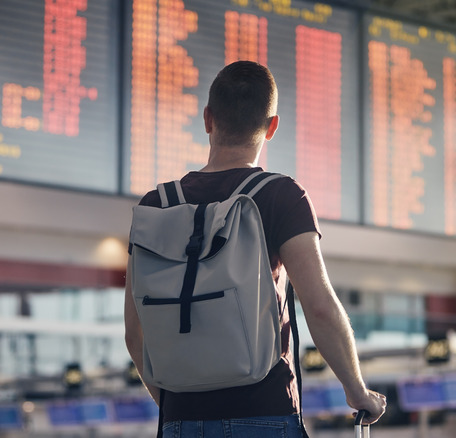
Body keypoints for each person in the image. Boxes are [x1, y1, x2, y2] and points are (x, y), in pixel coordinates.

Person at [124, 61, 386, 437]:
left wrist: (178, 408)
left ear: (207, 118)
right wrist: (358, 392)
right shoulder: (281, 196)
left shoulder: (154, 206)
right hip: (265, 410)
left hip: (180, 418)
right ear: (272, 126)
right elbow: (319, 306)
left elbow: (136, 334)